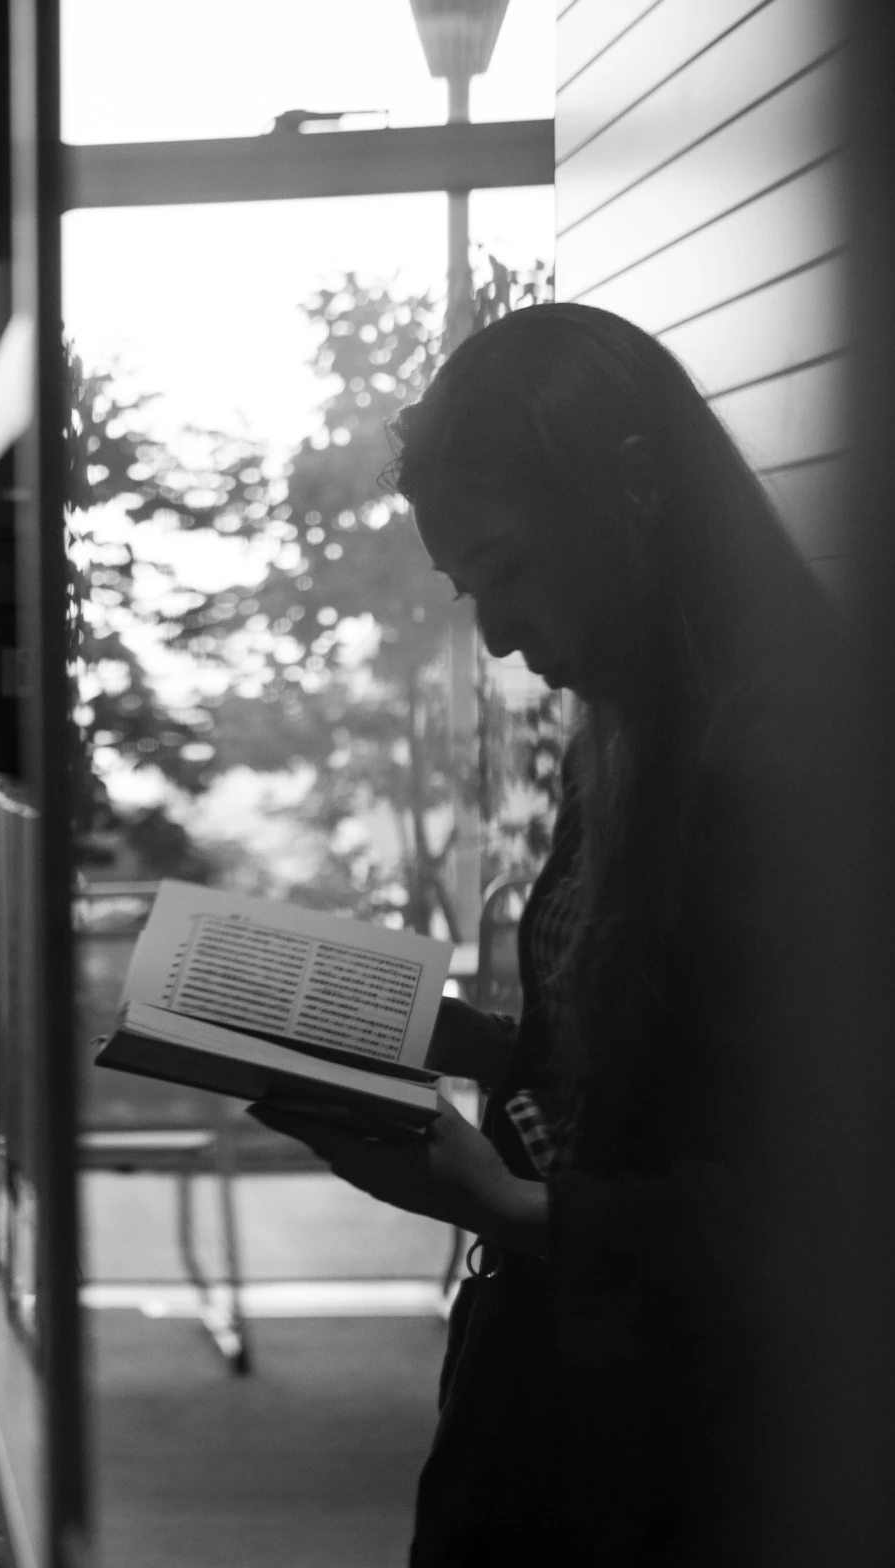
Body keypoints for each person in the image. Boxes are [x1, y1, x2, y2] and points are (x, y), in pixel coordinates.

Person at [247, 302, 844, 1565]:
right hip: (556, 1387)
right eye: (472, 589)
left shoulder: (797, 768)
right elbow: (639, 1072)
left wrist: (507, 1202)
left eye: (511, 569)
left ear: (633, 487)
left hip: (683, 1449)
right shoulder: (622, 736)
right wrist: (447, 1030)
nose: (503, 635)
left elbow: (821, 1214)